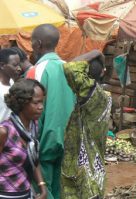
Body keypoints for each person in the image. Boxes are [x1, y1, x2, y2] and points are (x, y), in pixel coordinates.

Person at [26, 24, 75, 199]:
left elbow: (29, 111)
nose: (31, 46)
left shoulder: (36, 71)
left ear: (38, 44)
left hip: (43, 143)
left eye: (32, 42)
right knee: (59, 187)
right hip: (67, 140)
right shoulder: (69, 68)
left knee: (43, 190)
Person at [61, 50, 111, 198]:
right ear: (102, 73)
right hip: (92, 163)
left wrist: (96, 52)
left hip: (84, 166)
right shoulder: (104, 96)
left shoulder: (92, 94)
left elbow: (69, 67)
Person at [0, 78, 47, 199]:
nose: (41, 107)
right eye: (36, 103)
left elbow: (34, 159)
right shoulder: (5, 131)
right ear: (22, 103)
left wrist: (42, 187)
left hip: (26, 193)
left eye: (42, 102)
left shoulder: (33, 126)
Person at [0, 48, 22, 122]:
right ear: (2, 65)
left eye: (19, 64)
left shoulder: (12, 82)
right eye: (15, 65)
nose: (19, 68)